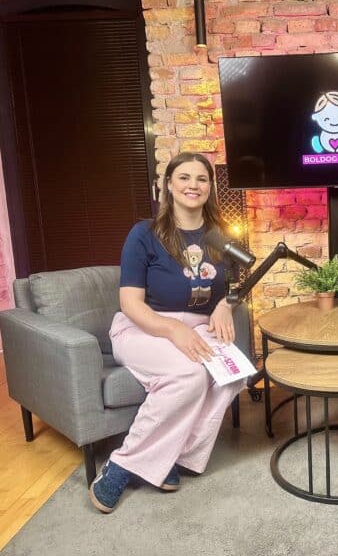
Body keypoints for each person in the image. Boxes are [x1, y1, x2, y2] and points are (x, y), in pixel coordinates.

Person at [90, 152, 245, 512]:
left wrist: (226, 304)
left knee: (233, 374)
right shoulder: (144, 234)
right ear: (169, 186)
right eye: (184, 177)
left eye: (202, 179)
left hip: (198, 328)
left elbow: (235, 285)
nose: (194, 185)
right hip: (144, 327)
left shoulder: (220, 236)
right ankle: (122, 464)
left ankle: (171, 456)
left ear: (210, 187)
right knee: (189, 375)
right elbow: (130, 303)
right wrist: (173, 329)